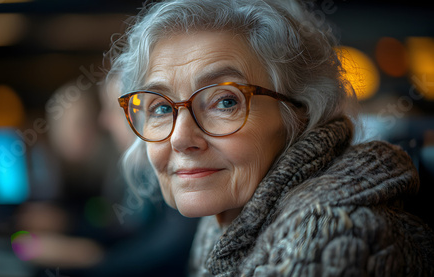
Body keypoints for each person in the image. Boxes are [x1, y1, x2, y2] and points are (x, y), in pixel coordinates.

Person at [105, 0, 434, 276]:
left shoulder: (329, 238)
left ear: (300, 111)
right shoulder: (228, 213)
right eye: (161, 108)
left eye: (226, 101)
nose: (180, 138)